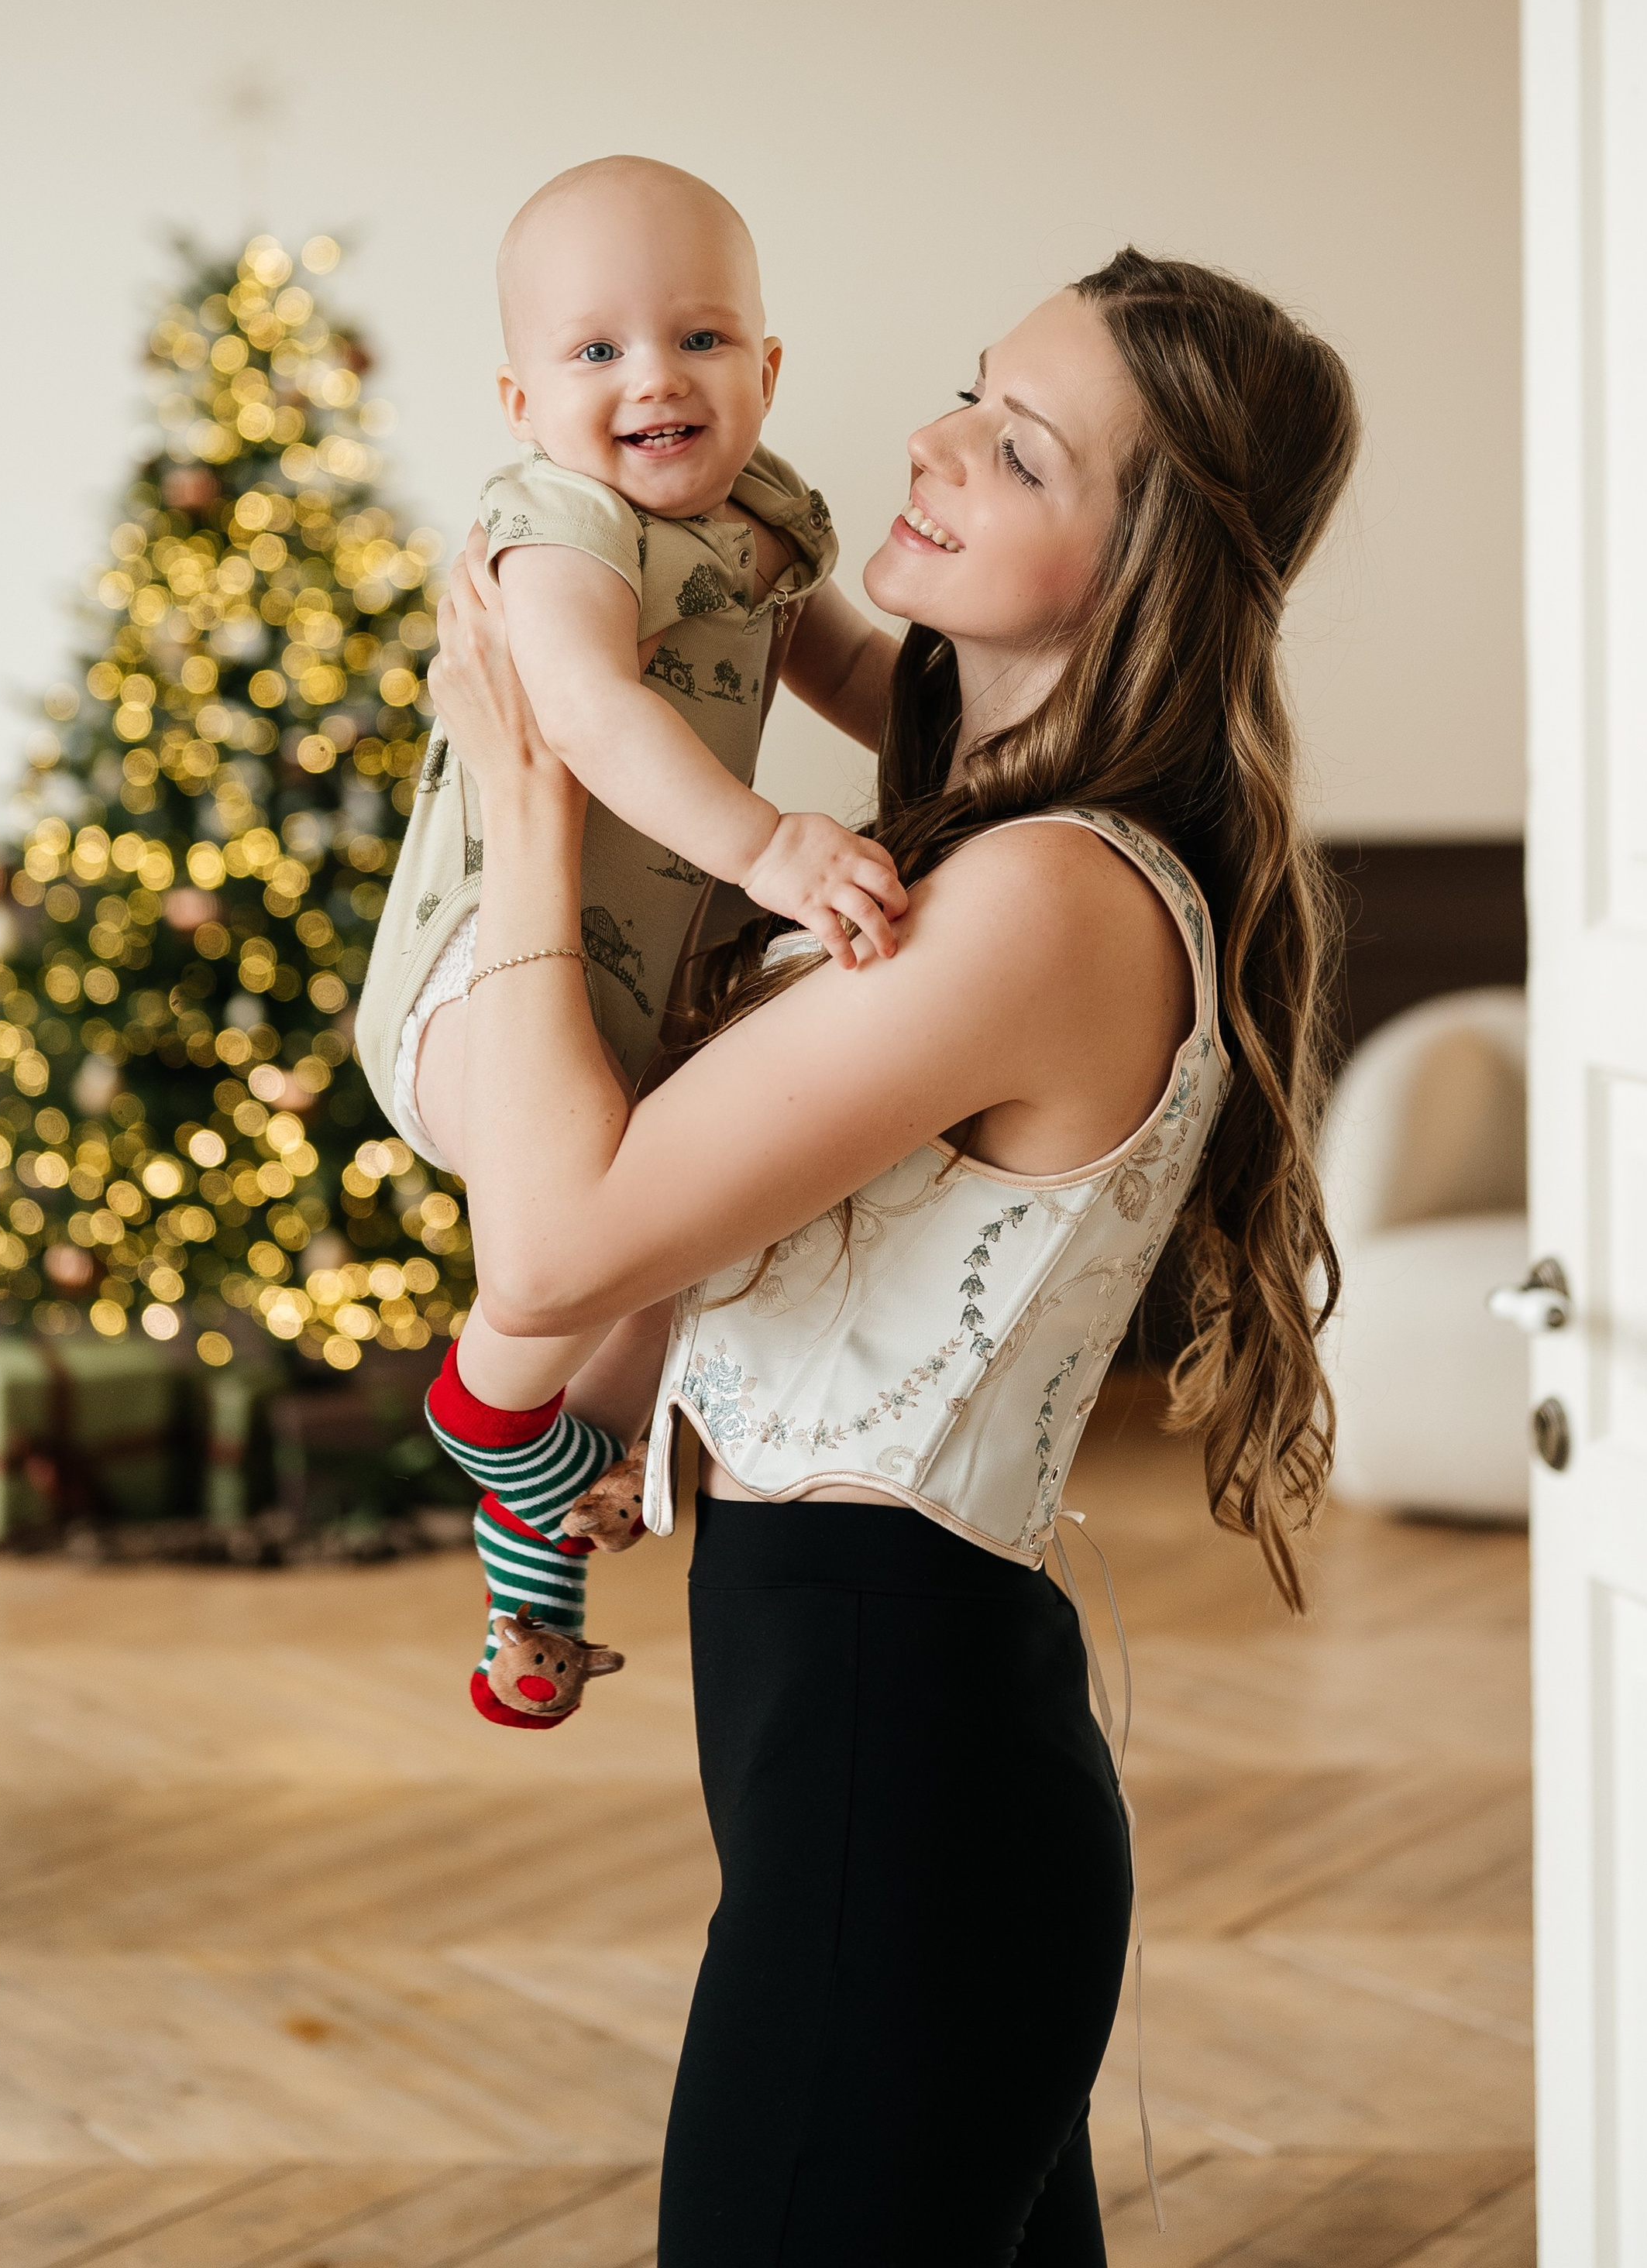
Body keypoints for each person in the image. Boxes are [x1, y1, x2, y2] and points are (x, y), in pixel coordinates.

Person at [421, 246, 1360, 2265]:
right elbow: (677, 1243)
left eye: (1017, 449)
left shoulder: (1043, 899)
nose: (929, 443)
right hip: (875, 1768)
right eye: (967, 390)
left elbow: (560, 1236)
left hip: (909, 1799)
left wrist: (525, 796)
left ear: (1142, 565)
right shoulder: (971, 840)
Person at [356, 153, 907, 1715]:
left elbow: (857, 672)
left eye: (700, 338)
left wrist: (989, 754)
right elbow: (585, 712)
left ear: (765, 368)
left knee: (677, 1221)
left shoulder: (767, 520)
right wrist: (768, 842)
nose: (652, 378)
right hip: (478, 972)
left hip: (640, 985)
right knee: (563, 1246)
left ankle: (542, 1556)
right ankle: (487, 1411)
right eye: (594, 351)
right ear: (521, 397)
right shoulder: (555, 523)